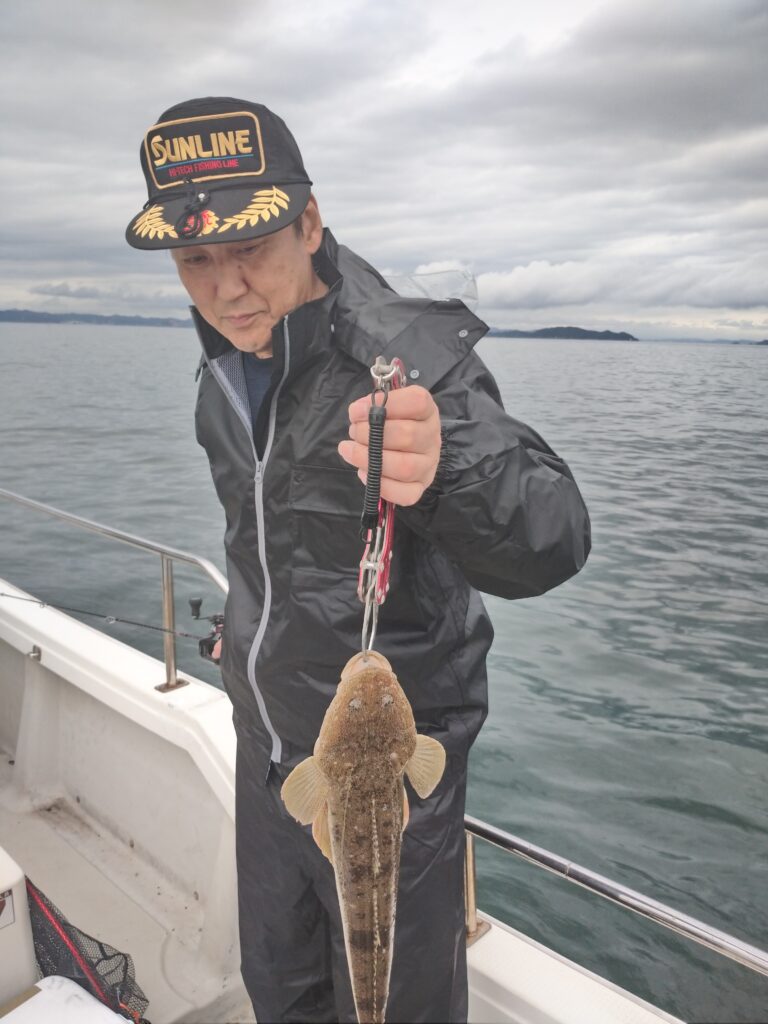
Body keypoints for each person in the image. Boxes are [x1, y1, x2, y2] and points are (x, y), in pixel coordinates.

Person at [126, 96, 591, 1023]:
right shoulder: (225, 365)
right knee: (282, 988)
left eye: (250, 247)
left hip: (391, 791)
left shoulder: (404, 362)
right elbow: (261, 541)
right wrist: (242, 635)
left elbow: (553, 539)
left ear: (309, 223)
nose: (227, 288)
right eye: (195, 260)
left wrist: (448, 466)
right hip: (268, 752)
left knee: (394, 1006)